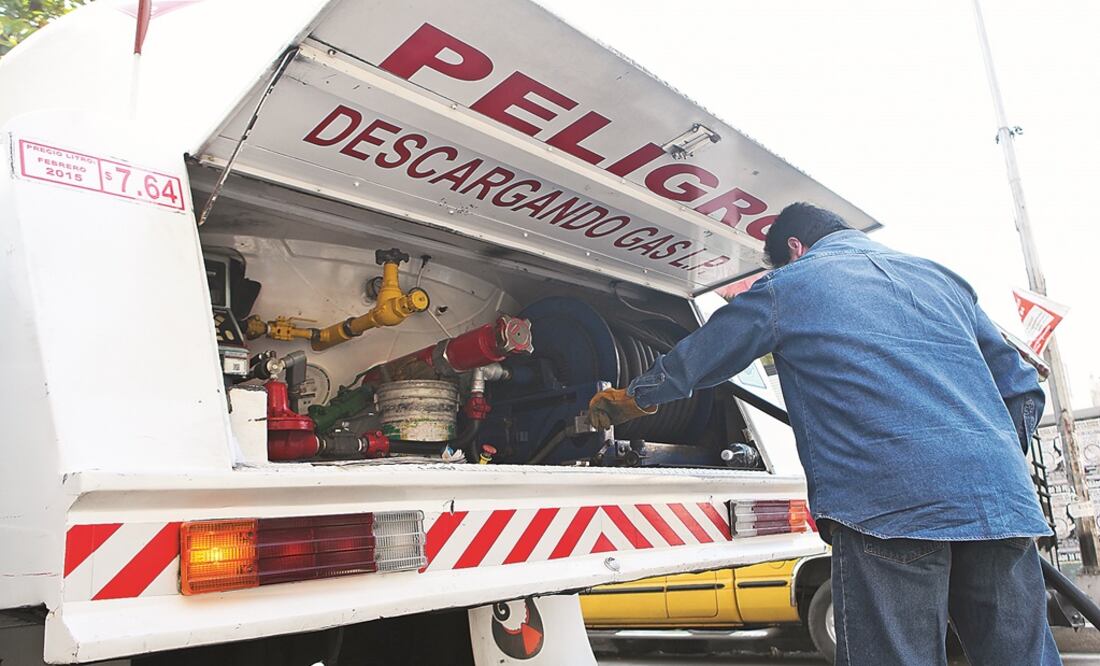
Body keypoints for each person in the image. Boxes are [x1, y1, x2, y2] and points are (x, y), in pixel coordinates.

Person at [588, 202, 1059, 666]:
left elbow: (703, 356)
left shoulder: (789, 286)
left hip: (889, 508)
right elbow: (1022, 388)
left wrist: (633, 398)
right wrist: (990, 466)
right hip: (1001, 503)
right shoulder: (944, 279)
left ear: (795, 246)